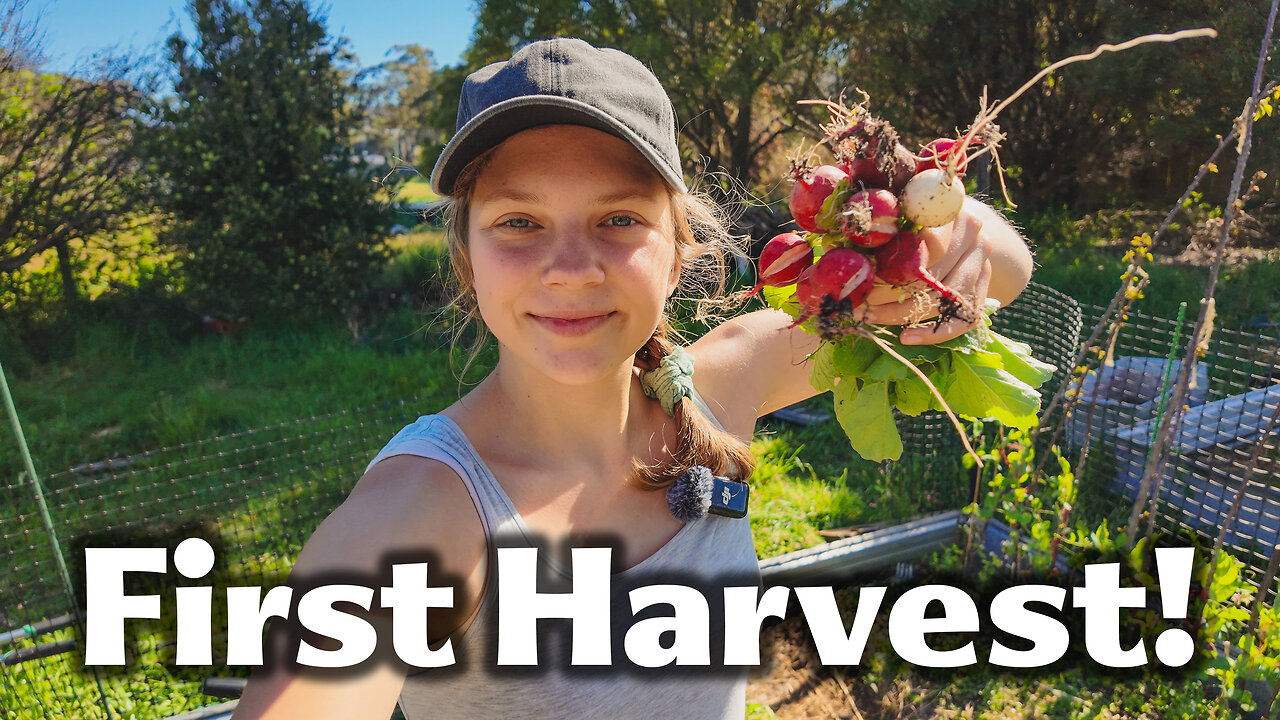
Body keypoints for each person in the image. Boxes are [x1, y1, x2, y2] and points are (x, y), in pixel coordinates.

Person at [232, 37, 1034, 719]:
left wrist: (950, 231)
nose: (572, 270)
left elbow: (1007, 272)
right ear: (466, 261)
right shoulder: (428, 515)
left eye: (619, 219)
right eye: (519, 222)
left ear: (681, 247)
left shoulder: (722, 389)